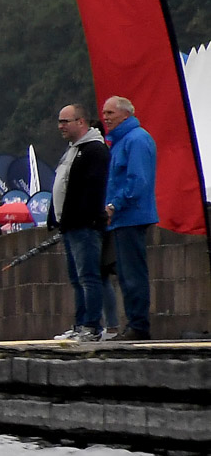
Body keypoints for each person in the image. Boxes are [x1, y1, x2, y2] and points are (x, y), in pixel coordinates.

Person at [98, 95, 161, 340]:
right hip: (122, 219)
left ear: (126, 114)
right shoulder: (121, 142)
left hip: (132, 216)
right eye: (104, 114)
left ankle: (139, 326)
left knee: (133, 274)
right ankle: (133, 324)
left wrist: (115, 204)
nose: (105, 118)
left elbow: (138, 180)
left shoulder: (136, 140)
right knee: (125, 274)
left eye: (110, 114)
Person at [50, 104, 111, 341]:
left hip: (85, 226)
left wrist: (83, 217)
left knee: (88, 277)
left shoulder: (95, 150)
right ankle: (80, 324)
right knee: (77, 279)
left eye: (65, 121)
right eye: (59, 121)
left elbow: (93, 190)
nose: (60, 126)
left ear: (81, 122)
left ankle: (92, 327)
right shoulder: (72, 151)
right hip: (70, 225)